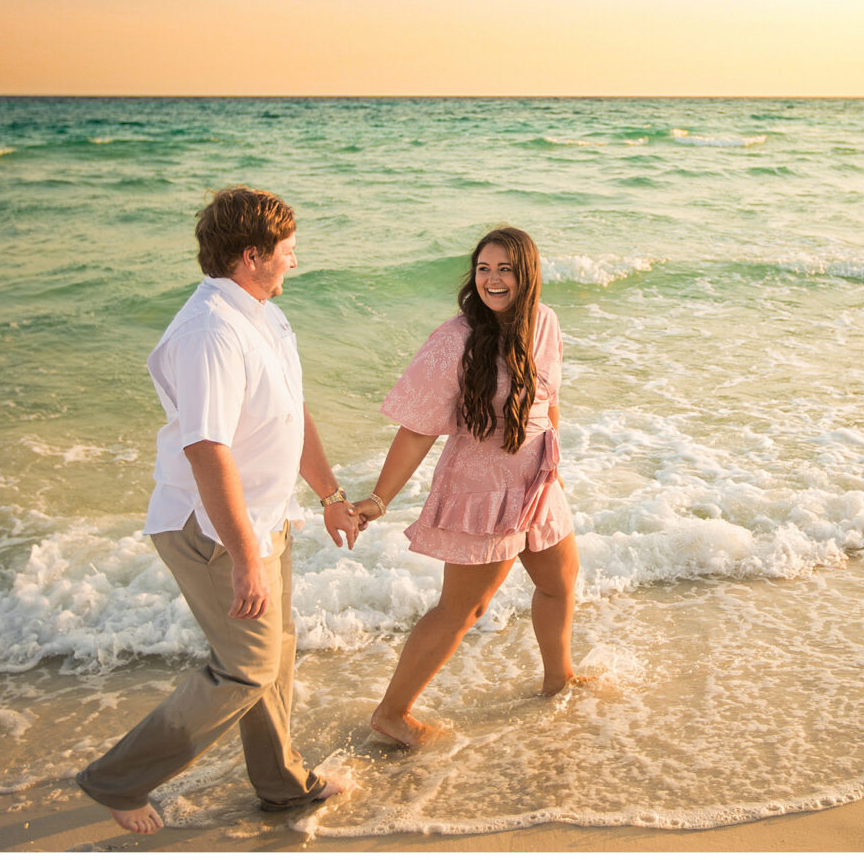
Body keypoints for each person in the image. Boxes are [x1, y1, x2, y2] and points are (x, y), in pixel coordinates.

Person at [75, 189, 363, 835]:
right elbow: (206, 449)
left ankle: (283, 787)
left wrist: (331, 497)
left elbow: (295, 413)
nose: (295, 260)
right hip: (209, 528)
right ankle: (117, 779)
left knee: (276, 658)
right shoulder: (210, 330)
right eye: (286, 251)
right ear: (250, 255)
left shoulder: (262, 312)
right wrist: (242, 558)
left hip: (262, 517)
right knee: (247, 666)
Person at [351, 227, 580, 747]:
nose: (492, 279)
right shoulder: (454, 339)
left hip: (537, 478)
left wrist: (554, 470)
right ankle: (392, 714)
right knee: (463, 609)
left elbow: (550, 401)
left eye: (504, 269)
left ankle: (558, 679)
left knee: (559, 581)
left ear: (528, 275)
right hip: (484, 487)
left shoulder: (545, 322)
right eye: (483, 269)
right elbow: (416, 429)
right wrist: (378, 499)